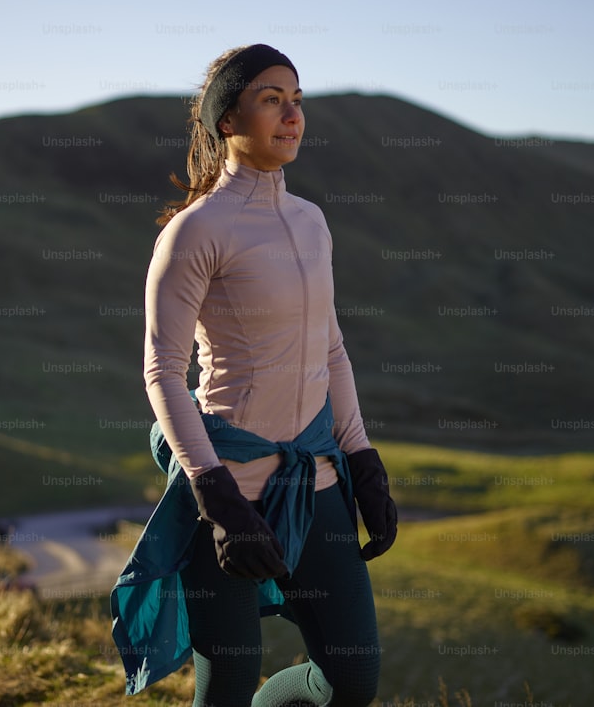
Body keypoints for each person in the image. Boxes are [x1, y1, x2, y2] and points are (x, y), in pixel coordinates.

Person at [111, 43, 397, 707]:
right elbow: (162, 370)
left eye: (296, 100)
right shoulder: (194, 231)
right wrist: (215, 494)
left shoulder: (312, 223)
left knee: (351, 680)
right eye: (271, 99)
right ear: (228, 120)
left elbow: (331, 351)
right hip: (230, 486)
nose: (291, 115)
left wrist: (363, 460)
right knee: (227, 686)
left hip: (317, 478)